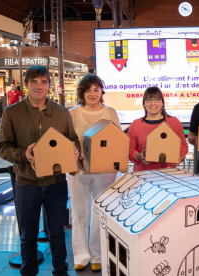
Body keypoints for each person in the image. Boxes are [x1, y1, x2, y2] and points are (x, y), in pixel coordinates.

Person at [0, 65, 81, 276]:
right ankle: (29, 272)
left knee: (57, 233)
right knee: (28, 236)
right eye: (33, 82)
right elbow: (3, 147)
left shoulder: (62, 113)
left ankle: (61, 271)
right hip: (26, 183)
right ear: (26, 86)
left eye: (43, 82)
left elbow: (73, 139)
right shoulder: (12, 113)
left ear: (49, 86)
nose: (39, 86)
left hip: (56, 183)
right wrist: (24, 154)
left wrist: (75, 150)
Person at [67, 74, 121, 272]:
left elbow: (117, 139)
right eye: (88, 90)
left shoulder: (110, 112)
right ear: (81, 93)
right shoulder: (72, 113)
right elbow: (66, 140)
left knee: (100, 212)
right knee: (79, 213)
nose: (92, 93)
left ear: (101, 92)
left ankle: (98, 254)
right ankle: (81, 255)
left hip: (105, 171)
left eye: (96, 89)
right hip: (78, 171)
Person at [128, 86, 188, 171]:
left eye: (157, 99)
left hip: (168, 174)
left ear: (162, 103)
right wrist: (139, 156)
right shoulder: (135, 125)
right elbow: (130, 150)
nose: (153, 103)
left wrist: (180, 156)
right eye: (148, 100)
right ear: (144, 104)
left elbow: (183, 145)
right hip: (143, 175)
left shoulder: (174, 122)